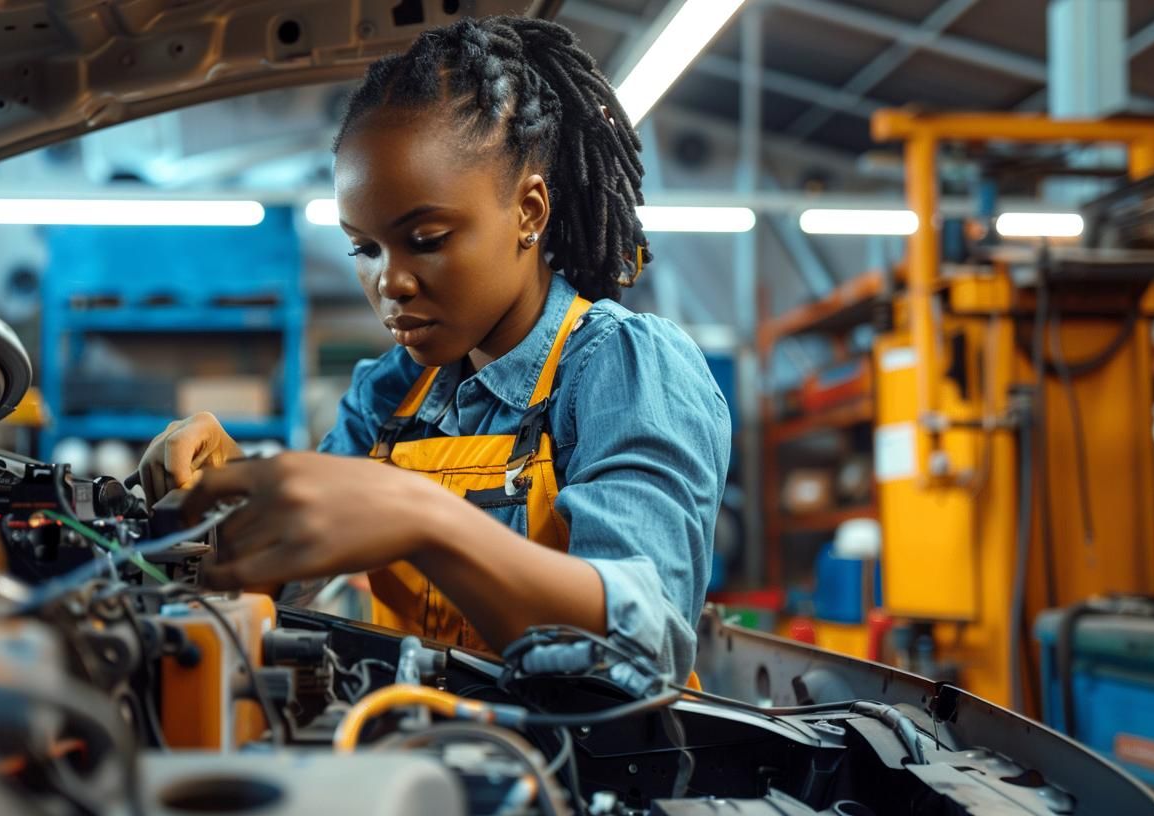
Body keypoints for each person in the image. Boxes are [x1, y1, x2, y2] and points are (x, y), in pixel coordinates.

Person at [137, 16, 730, 681]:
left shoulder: (620, 370)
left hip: (594, 774)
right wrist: (232, 495)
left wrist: (426, 520)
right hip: (427, 751)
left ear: (529, 212)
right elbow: (291, 575)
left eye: (426, 238)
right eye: (364, 248)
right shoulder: (390, 394)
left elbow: (643, 648)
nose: (389, 281)